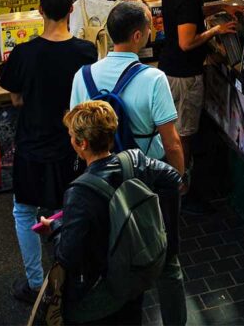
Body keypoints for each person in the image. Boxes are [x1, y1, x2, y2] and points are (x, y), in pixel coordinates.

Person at [0, 0, 98, 304]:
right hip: (72, 147)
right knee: (67, 211)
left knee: (24, 211)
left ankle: (36, 283)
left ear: (40, 10)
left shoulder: (23, 54)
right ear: (71, 9)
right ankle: (67, 277)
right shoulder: (86, 51)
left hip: (31, 146)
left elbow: (14, 99)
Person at [41, 101, 185, 326]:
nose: (70, 140)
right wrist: (161, 230)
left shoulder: (79, 193)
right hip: (133, 278)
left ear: (83, 144)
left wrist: (55, 228)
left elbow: (68, 255)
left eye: (71, 136)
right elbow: (173, 180)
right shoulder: (134, 162)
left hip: (100, 292)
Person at [160, 0, 241, 210]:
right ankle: (182, 187)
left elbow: (192, 14)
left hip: (172, 69)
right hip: (184, 76)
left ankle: (179, 182)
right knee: (184, 133)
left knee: (178, 129)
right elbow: (187, 42)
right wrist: (215, 32)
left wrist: (221, 8)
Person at [70, 1, 185, 176]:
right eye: (148, 28)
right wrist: (178, 178)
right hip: (145, 175)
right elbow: (172, 143)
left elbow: (74, 134)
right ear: (137, 36)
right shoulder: (154, 78)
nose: (150, 32)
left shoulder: (83, 76)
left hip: (99, 176)